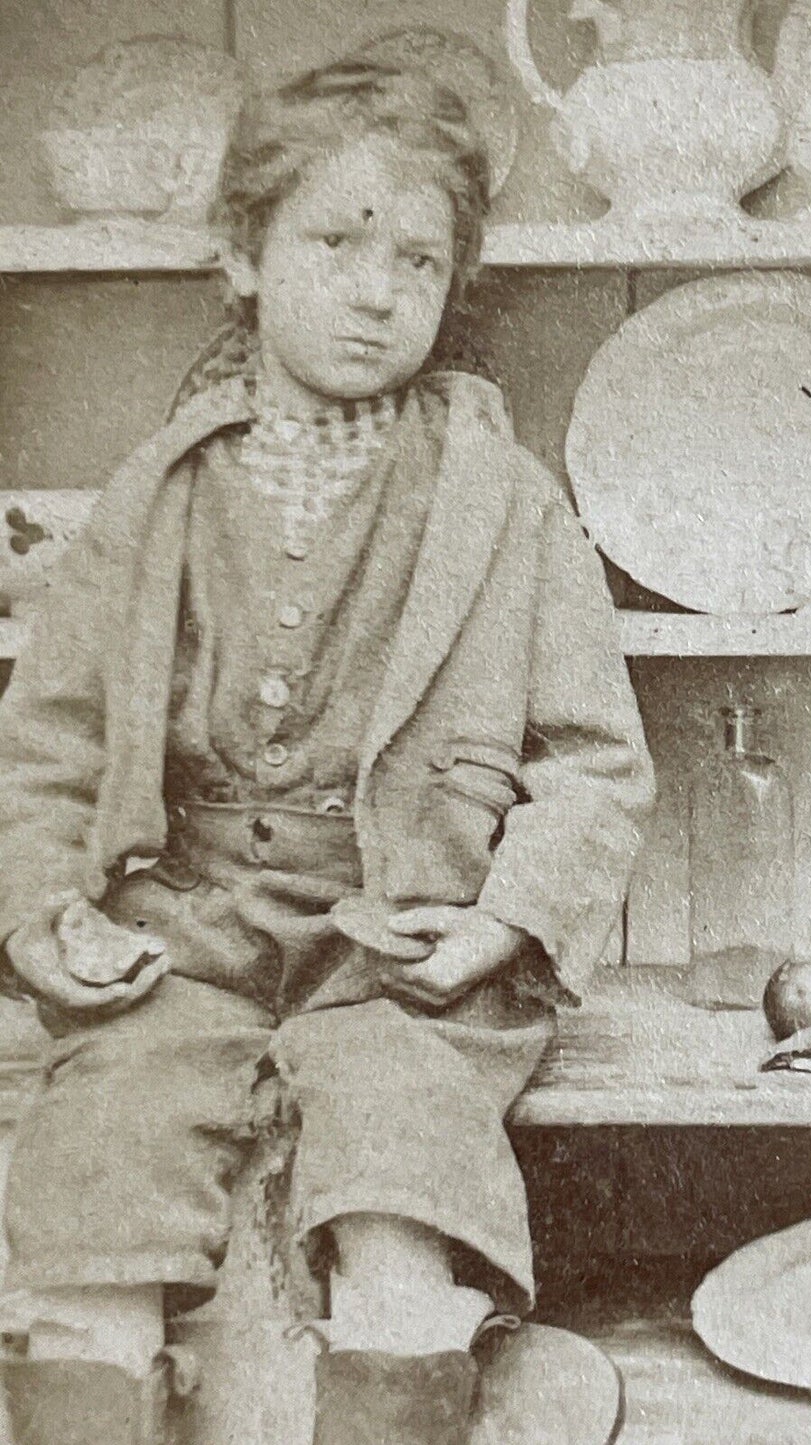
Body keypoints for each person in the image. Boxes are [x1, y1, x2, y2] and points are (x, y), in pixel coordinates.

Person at [0, 57, 654, 1445]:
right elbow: (46, 739)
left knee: (401, 1202)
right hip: (185, 930)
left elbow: (593, 764)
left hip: (399, 951)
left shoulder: (503, 503)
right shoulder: (163, 486)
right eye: (336, 244)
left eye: (418, 261)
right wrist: (43, 913)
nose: (376, 291)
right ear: (243, 256)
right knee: (98, 1200)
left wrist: (500, 922)